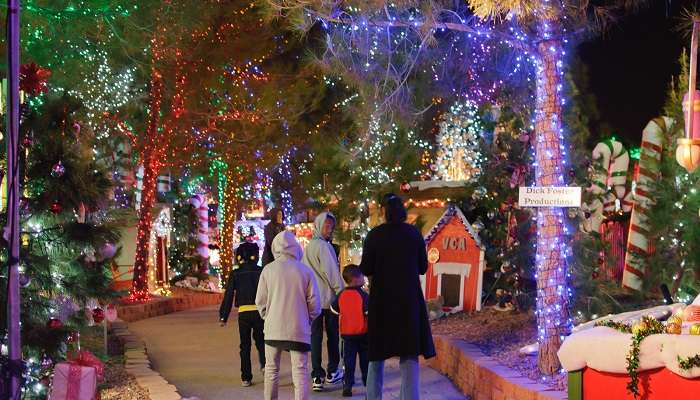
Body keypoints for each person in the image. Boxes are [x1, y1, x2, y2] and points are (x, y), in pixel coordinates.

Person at [360, 194, 436, 400]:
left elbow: (366, 267)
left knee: (376, 356)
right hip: (408, 302)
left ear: (384, 211)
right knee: (409, 354)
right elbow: (422, 267)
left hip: (382, 302)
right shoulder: (413, 234)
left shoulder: (374, 236)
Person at [256, 231, 321, 400]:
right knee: (300, 371)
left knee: (271, 370)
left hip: (273, 328)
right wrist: (307, 320)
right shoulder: (305, 271)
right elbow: (315, 304)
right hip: (298, 328)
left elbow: (260, 301)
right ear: (296, 248)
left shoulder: (268, 270)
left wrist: (268, 317)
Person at [301, 212, 345, 391]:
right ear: (319, 225)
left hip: (313, 300)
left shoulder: (309, 247)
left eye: (331, 226)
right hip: (328, 300)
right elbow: (332, 272)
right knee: (333, 335)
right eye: (327, 226)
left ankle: (316, 376)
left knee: (315, 336)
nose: (330, 229)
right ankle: (332, 371)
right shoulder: (324, 247)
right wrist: (341, 292)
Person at [219, 242, 265, 387]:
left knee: (245, 345)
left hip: (244, 313)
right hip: (259, 312)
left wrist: (223, 316)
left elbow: (228, 295)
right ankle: (265, 366)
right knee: (261, 341)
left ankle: (246, 377)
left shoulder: (236, 273)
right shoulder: (261, 271)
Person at [331, 265, 369, 397]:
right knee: (365, 359)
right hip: (363, 333)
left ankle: (348, 385)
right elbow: (368, 312)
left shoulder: (341, 294)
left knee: (348, 361)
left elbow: (334, 309)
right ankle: (367, 381)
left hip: (347, 334)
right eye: (362, 276)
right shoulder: (363, 295)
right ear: (356, 279)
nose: (364, 278)